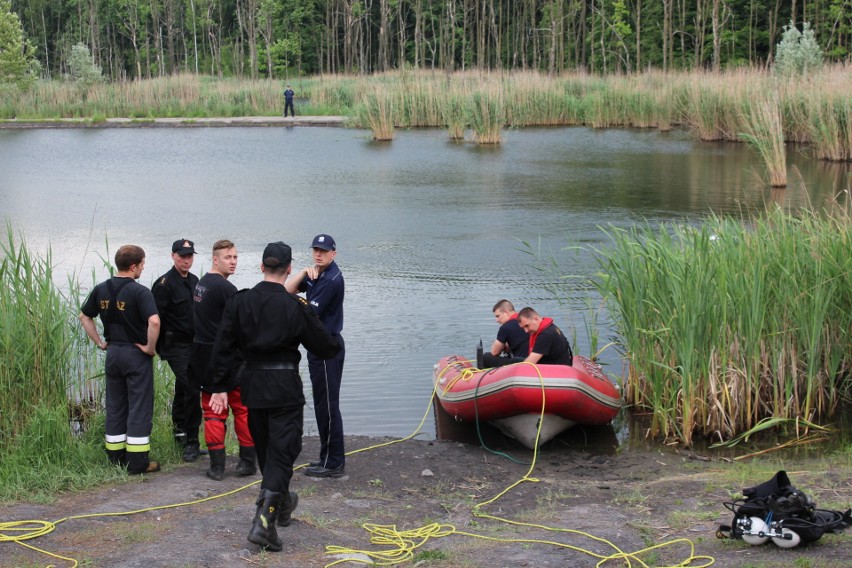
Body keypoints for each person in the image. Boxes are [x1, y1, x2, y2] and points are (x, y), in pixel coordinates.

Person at [209, 241, 340, 552]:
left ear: (262, 267)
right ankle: (263, 523)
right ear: (290, 269)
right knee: (282, 454)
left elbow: (222, 347)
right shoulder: (295, 307)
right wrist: (331, 336)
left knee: (269, 454)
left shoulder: (240, 302)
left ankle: (280, 506)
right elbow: (324, 347)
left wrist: (218, 386)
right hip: (284, 387)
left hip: (252, 386)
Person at [79, 245, 161, 474]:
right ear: (134, 266)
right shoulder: (140, 292)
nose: (143, 268)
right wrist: (150, 347)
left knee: (115, 406)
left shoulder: (101, 289)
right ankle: (137, 463)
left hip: (113, 352)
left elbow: (84, 316)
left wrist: (100, 342)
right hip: (135, 354)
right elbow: (154, 321)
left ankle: (115, 458)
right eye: (143, 264)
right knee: (139, 407)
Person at [189, 239, 256, 480]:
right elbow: (243, 325)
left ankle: (217, 467)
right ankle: (247, 462)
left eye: (235, 257)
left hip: (204, 357)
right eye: (228, 257)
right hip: (227, 357)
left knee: (213, 411)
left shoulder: (202, 284)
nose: (233, 262)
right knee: (241, 409)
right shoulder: (226, 289)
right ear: (215, 259)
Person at [285, 233, 345, 478]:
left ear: (333, 253)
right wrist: (301, 273)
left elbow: (309, 313)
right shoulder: (315, 274)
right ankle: (326, 457)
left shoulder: (331, 279)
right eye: (315, 250)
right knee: (322, 404)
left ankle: (334, 463)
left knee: (328, 406)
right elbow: (286, 291)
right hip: (317, 348)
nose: (318, 254)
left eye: (323, 251)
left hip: (327, 347)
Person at [152, 239, 202, 462]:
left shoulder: (195, 281)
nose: (187, 260)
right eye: (182, 256)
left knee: (184, 388)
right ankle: (192, 440)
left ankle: (180, 435)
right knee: (192, 387)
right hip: (175, 345)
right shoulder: (164, 284)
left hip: (194, 344)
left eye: (190, 256)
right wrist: (154, 347)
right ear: (173, 256)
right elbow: (155, 318)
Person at [481, 299, 529, 368]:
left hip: (520, 364)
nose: (497, 320)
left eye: (498, 316)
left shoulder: (506, 327)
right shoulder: (527, 321)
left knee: (486, 357)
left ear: (506, 312)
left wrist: (503, 347)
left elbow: (494, 352)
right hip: (533, 360)